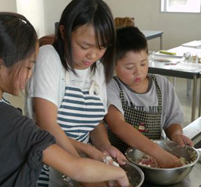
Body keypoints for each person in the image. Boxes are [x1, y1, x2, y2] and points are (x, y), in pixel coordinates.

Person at [0, 12, 129, 187]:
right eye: (28, 66)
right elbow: (77, 169)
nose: (30, 75)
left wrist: (89, 150)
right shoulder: (5, 118)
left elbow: (34, 136)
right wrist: (119, 173)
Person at [26, 0, 127, 186]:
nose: (93, 55)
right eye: (84, 46)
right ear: (64, 33)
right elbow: (48, 125)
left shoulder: (96, 69)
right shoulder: (50, 58)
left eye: (101, 47)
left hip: (80, 164)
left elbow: (94, 122)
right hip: (46, 169)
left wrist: (105, 148)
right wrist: (82, 169)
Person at [105, 26, 193, 168]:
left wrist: (176, 134)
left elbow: (172, 121)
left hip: (155, 164)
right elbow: (117, 125)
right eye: (129, 67)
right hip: (121, 163)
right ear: (114, 65)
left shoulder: (162, 85)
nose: (138, 71)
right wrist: (160, 154)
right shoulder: (111, 87)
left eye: (143, 63)